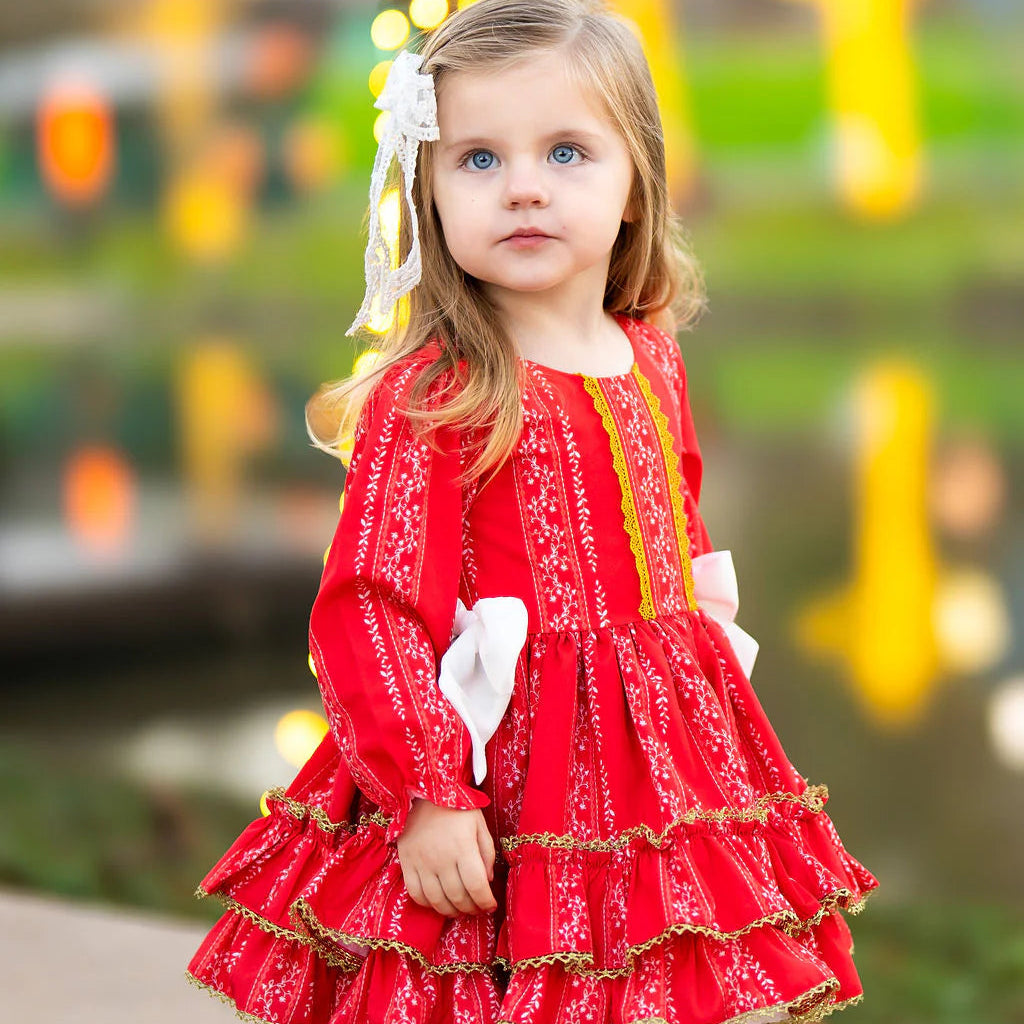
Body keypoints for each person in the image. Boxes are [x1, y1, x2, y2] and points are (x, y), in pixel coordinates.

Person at [185, 2, 879, 1022]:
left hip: (656, 746)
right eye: (475, 159)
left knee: (659, 976)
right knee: (510, 983)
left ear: (636, 181)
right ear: (427, 191)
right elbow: (370, 605)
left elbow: (673, 528)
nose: (521, 187)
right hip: (498, 768)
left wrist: (699, 691)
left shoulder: (649, 354)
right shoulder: (438, 391)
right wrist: (426, 793)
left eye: (565, 152)